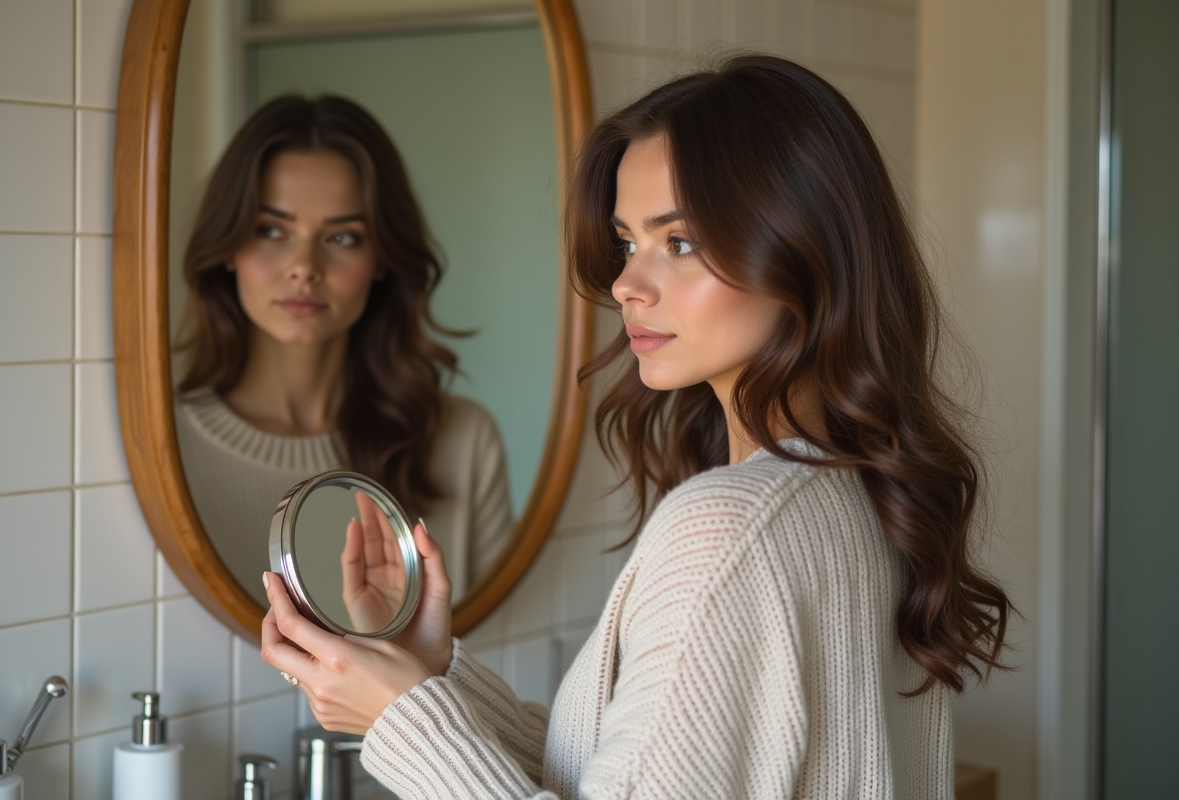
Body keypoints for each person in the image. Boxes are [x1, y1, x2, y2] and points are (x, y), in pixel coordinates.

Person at [260, 55, 1013, 798]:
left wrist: (400, 720)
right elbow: (627, 772)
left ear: (804, 252)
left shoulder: (728, 531)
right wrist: (428, 683)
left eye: (677, 243)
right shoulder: (863, 492)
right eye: (626, 243)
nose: (624, 283)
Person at [174, 95, 513, 607]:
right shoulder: (163, 450)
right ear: (227, 248)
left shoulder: (464, 443)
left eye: (342, 236)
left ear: (382, 258)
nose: (304, 266)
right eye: (271, 230)